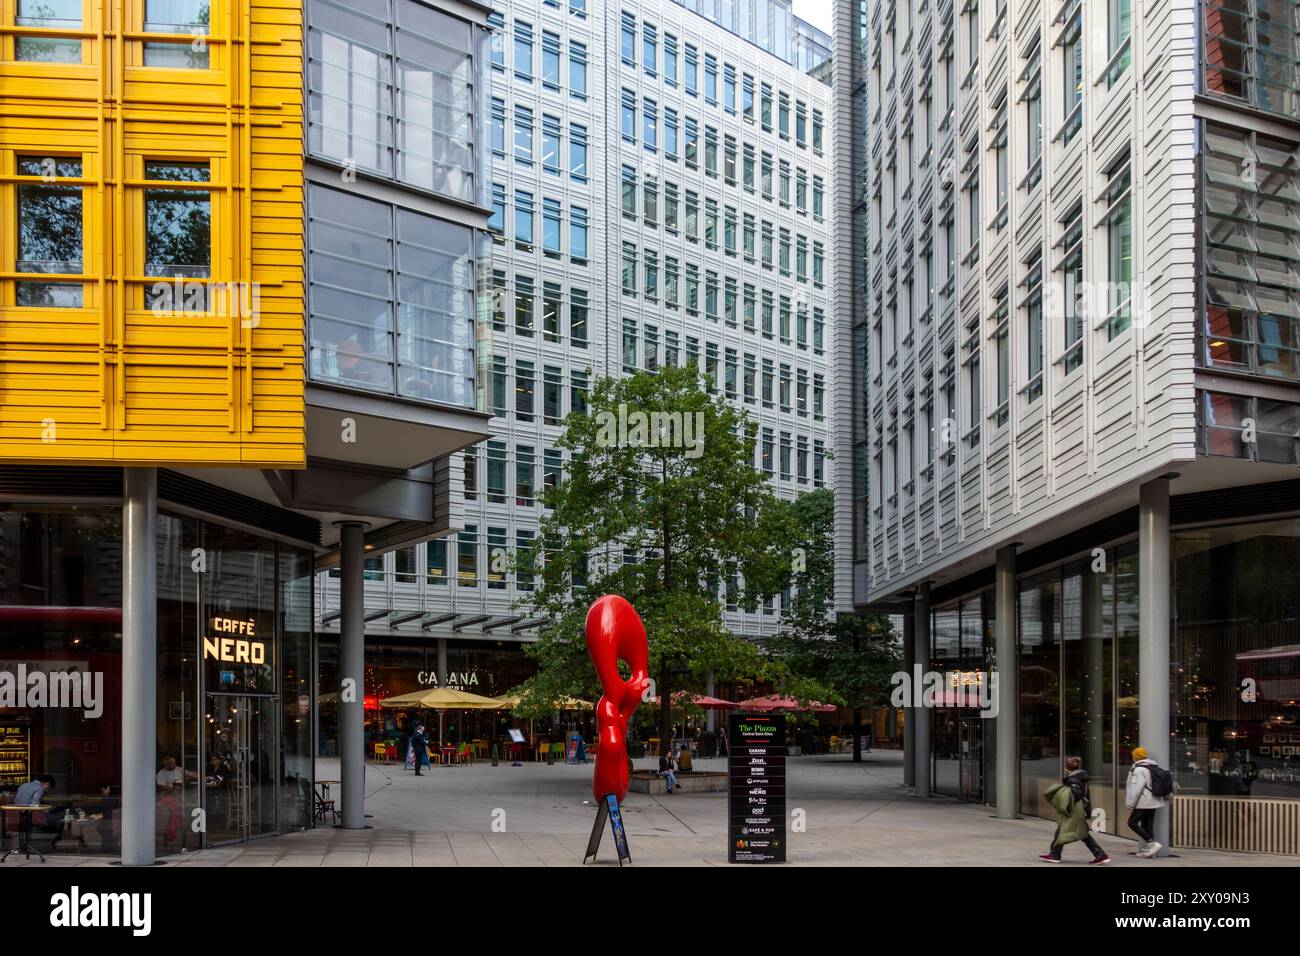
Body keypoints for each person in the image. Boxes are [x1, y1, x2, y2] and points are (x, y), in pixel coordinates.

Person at [1040, 757, 1111, 864]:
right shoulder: (1080, 776)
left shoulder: (1073, 779)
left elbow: (1076, 793)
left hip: (1074, 809)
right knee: (1071, 831)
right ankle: (1055, 854)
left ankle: (1100, 854)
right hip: (1078, 808)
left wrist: (1065, 801)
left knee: (1076, 832)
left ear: (1067, 768)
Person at [1125, 746, 1169, 858]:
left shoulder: (1139, 769)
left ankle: (1152, 843)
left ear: (1135, 756)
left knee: (1132, 823)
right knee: (1147, 825)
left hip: (1144, 802)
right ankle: (1150, 852)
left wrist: (1130, 803)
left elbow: (1136, 788)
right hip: (1154, 801)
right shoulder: (1152, 766)